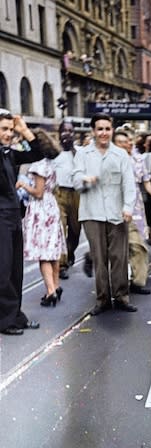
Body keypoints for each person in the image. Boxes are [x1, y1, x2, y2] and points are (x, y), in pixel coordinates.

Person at [72, 113, 137, 315]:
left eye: (107, 129)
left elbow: (129, 184)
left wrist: (128, 207)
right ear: (93, 131)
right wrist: (86, 179)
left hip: (117, 213)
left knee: (119, 256)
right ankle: (102, 300)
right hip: (92, 213)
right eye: (99, 129)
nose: (103, 133)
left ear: (112, 130)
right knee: (100, 259)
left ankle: (121, 297)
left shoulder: (120, 155)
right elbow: (75, 181)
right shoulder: (83, 154)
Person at [0, 111, 44, 335]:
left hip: (14, 216)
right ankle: (5, 320)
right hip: (1, 218)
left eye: (10, 129)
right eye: (4, 129)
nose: (8, 134)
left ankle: (15, 316)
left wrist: (23, 130)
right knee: (4, 270)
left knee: (16, 270)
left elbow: (37, 152)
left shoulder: (8, 154)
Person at [19, 130, 66, 306]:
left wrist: (23, 184)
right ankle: (56, 286)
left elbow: (38, 192)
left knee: (43, 254)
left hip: (40, 210)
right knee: (52, 252)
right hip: (51, 206)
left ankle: (50, 291)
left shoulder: (37, 165)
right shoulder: (49, 163)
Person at [113, 130, 151, 295]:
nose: (127, 144)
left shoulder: (138, 160)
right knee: (117, 249)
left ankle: (138, 281)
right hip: (114, 208)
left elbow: (147, 183)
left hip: (135, 209)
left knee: (138, 245)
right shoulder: (110, 160)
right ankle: (118, 284)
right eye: (122, 142)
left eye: (128, 141)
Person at [52, 120, 81, 280]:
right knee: (61, 230)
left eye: (70, 131)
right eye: (64, 131)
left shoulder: (79, 152)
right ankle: (61, 264)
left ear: (73, 133)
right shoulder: (54, 153)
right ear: (59, 133)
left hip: (77, 194)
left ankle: (70, 253)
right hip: (59, 193)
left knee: (76, 230)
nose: (67, 134)